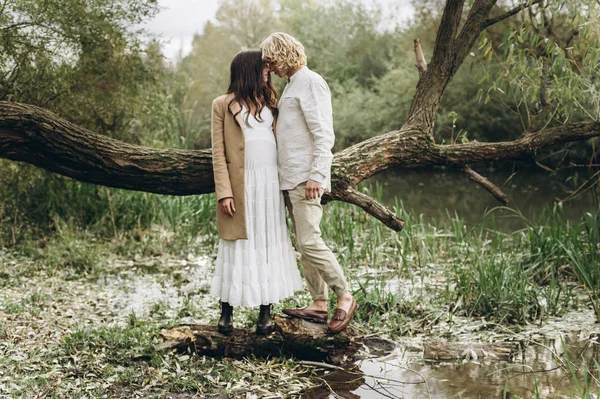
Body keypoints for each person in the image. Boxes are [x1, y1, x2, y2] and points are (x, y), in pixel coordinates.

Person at [260, 32, 357, 334]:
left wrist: (317, 173)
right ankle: (318, 303)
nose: (270, 67)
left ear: (284, 54)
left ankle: (344, 295)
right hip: (290, 177)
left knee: (310, 240)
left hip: (306, 176)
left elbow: (323, 133)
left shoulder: (311, 82)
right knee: (304, 243)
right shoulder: (292, 85)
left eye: (271, 61)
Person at [209, 50, 303, 335]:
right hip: (241, 186)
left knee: (268, 243)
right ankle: (227, 311)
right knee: (235, 244)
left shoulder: (272, 103)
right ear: (249, 70)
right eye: (263, 68)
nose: (268, 72)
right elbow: (217, 153)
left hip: (270, 186)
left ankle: (265, 311)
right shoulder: (222, 105)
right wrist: (224, 192)